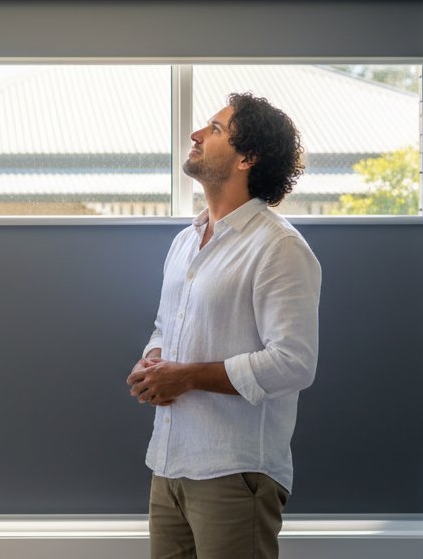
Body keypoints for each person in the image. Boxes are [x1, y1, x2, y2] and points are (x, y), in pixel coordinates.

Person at [126, 92, 320, 559]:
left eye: (214, 129)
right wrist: (154, 360)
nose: (195, 134)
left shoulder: (279, 248)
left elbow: (293, 364)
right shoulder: (184, 242)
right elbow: (166, 325)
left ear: (247, 158)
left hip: (236, 474)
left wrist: (188, 376)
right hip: (169, 464)